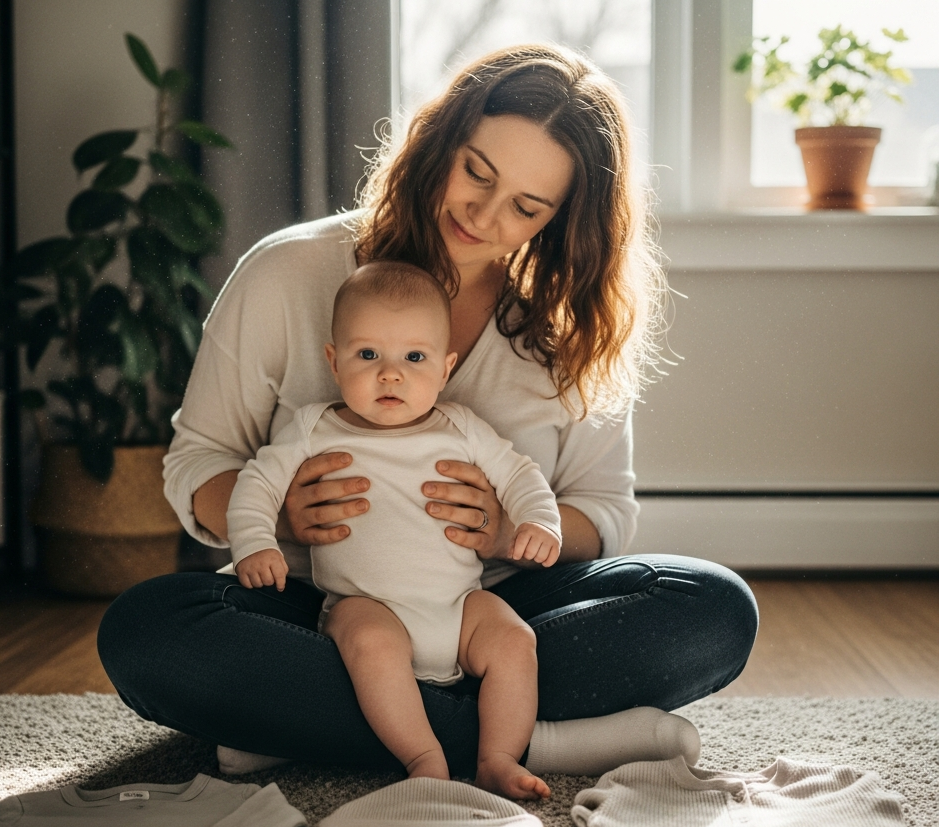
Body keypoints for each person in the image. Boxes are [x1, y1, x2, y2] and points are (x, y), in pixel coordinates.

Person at [97, 44, 758, 782]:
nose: (483, 214)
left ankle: (312, 728)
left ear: (561, 220)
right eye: (477, 171)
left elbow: (602, 512)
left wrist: (509, 531)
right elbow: (197, 463)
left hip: (498, 612)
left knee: (713, 607)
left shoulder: (568, 323)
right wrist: (283, 517)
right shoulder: (289, 271)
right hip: (324, 608)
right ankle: (529, 739)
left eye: (526, 208)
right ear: (440, 139)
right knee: (146, 632)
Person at [229, 261, 562, 798]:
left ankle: (497, 757)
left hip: (460, 606)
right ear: (334, 363)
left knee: (517, 641)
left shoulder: (462, 428)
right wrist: (256, 542)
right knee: (370, 643)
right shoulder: (314, 427)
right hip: (364, 603)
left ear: (445, 367)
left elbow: (521, 475)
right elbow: (256, 484)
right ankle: (424, 758)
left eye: (414, 357)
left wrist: (538, 521)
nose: (391, 374)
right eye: (368, 355)